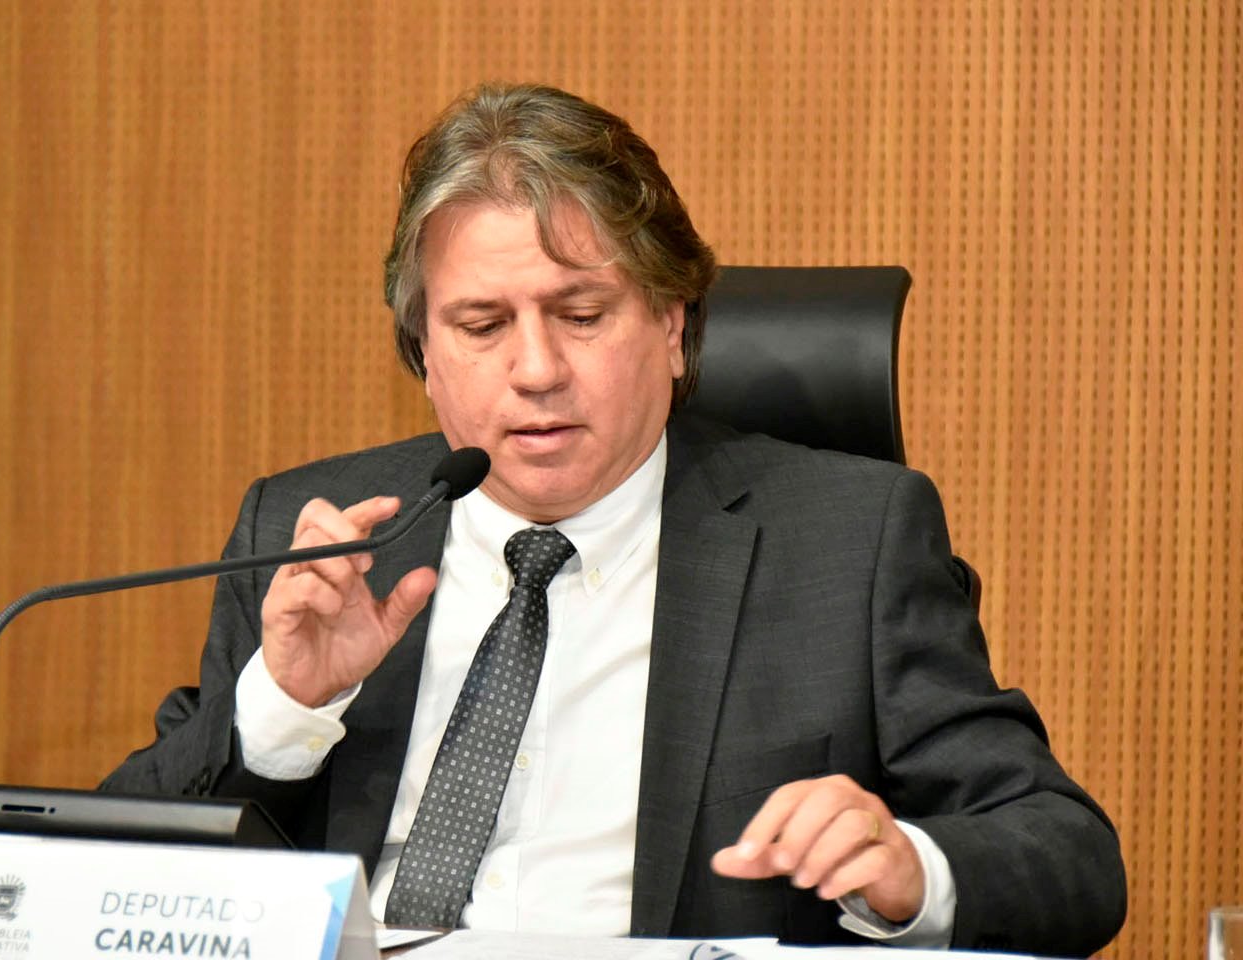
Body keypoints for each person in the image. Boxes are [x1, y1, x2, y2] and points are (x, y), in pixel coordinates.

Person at [103, 83, 1126, 954]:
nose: (536, 369)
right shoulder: (319, 534)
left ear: (674, 327)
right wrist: (282, 708)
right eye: (482, 325)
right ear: (424, 354)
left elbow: (1068, 855)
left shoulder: (847, 543)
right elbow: (105, 875)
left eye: (582, 316)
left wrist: (907, 868)